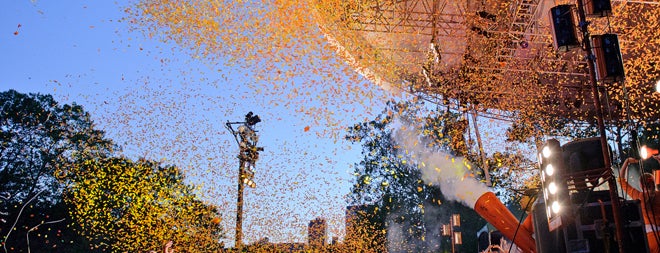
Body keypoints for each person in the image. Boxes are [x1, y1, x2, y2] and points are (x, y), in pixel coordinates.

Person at [619, 155, 660, 253]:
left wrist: (626, 162)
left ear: (641, 185)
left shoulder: (639, 196)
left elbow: (621, 181)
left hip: (651, 238)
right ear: (654, 183)